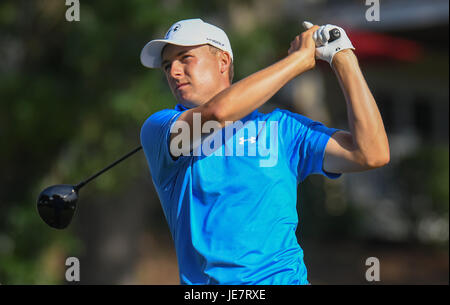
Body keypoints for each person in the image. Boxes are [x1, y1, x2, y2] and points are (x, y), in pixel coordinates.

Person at [139, 18, 389, 285]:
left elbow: (371, 153)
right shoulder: (159, 128)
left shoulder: (282, 128)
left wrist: (343, 57)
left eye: (185, 58)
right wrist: (297, 62)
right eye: (167, 66)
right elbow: (217, 114)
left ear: (223, 62)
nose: (173, 72)